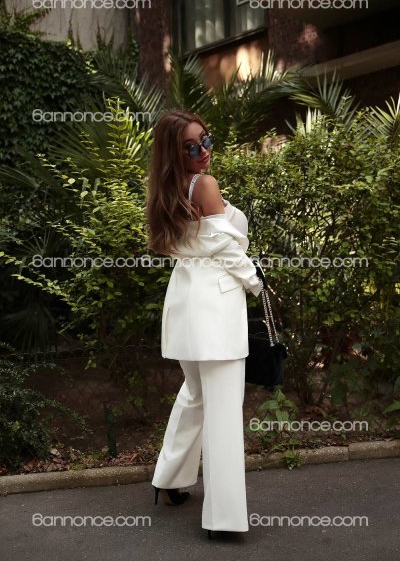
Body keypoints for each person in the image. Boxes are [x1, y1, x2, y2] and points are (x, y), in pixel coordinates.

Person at [145, 109, 263, 540]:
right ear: (174, 153)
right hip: (216, 308)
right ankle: (223, 518)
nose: (203, 151)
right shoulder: (204, 185)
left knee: (195, 395)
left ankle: (169, 478)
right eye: (191, 147)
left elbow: (199, 244)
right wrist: (255, 282)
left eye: (206, 140)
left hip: (186, 305)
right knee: (223, 413)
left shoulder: (166, 187)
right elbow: (227, 250)